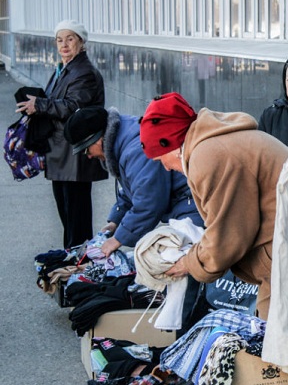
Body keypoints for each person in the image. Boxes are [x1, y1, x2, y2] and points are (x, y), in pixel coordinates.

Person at [138, 92, 288, 320]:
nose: (167, 168)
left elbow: (228, 236)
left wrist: (187, 264)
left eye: (160, 160)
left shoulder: (207, 156)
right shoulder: (212, 143)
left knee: (281, 348)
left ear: (172, 145)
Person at [63, 106, 204, 255]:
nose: (89, 156)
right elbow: (134, 188)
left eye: (86, 150)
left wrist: (117, 239)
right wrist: (115, 222)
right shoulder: (122, 134)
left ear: (98, 140)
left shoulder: (136, 150)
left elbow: (148, 203)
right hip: (185, 201)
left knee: (173, 266)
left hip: (192, 203)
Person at [15, 19, 107, 249]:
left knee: (76, 217)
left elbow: (73, 106)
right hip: (61, 152)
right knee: (68, 214)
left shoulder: (84, 72)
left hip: (75, 152)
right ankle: (72, 262)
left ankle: (79, 266)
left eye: (70, 39)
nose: (64, 44)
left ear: (81, 42)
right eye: (59, 39)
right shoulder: (65, 68)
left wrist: (40, 105)